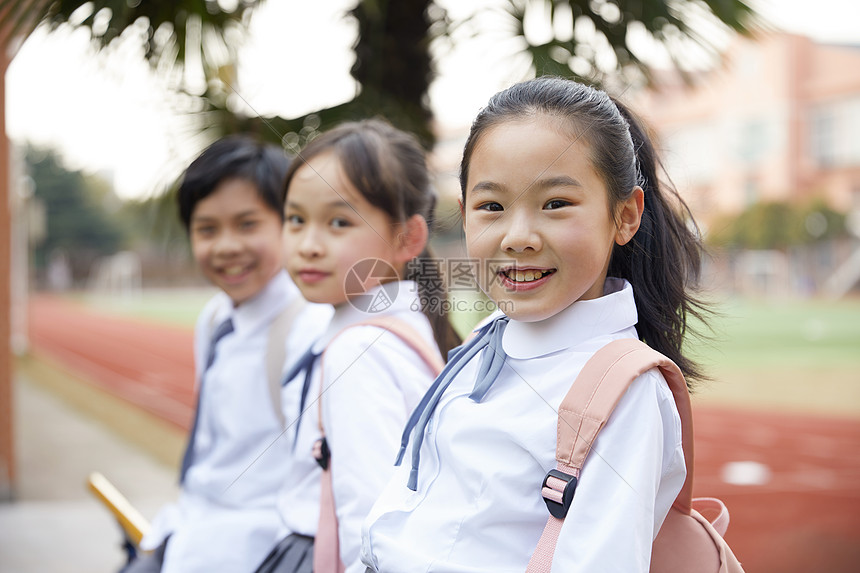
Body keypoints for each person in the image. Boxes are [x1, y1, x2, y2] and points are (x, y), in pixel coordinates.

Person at [361, 76, 713, 572]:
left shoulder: (624, 392)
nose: (518, 236)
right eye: (491, 207)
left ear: (625, 216)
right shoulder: (488, 341)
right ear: (464, 217)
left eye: (555, 204)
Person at [256, 119, 461, 573]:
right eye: (295, 219)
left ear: (407, 238)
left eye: (339, 222)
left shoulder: (359, 350)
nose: (307, 245)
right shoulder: (403, 328)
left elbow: (366, 524)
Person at [124, 135, 332, 573]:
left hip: (257, 550)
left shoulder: (308, 328)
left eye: (247, 224)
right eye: (207, 229)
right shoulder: (216, 318)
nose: (226, 246)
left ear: (288, 223)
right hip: (188, 533)